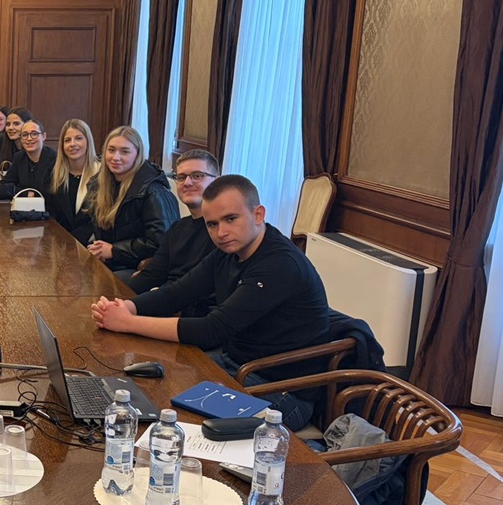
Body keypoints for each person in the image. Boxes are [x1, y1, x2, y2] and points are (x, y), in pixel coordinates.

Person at [91, 174, 330, 430]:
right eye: (212, 224)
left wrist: (128, 323)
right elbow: (178, 292)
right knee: (144, 387)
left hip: (280, 392)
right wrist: (128, 307)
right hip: (236, 367)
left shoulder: (279, 264)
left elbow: (212, 329)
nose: (221, 232)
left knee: (169, 411)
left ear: (258, 215)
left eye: (231, 219)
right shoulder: (229, 252)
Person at [122, 149, 221, 316]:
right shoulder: (178, 228)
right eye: (181, 177)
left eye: (197, 176)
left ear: (217, 182)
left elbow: (201, 290)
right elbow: (152, 275)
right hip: (163, 303)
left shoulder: (223, 232)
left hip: (191, 316)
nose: (187, 182)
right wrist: (117, 299)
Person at [73, 126, 178, 272]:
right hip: (110, 261)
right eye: (111, 150)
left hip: (140, 268)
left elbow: (160, 242)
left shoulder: (153, 190)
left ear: (138, 154)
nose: (115, 157)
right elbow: (86, 223)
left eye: (125, 152)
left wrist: (114, 250)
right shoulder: (99, 183)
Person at [47, 119, 101, 236]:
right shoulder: (52, 171)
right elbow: (50, 211)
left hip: (92, 242)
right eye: (67, 140)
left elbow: (99, 217)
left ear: (88, 142)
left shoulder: (101, 173)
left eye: (78, 138)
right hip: (59, 239)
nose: (72, 144)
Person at [0, 118, 57, 196]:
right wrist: (26, 193)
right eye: (24, 135)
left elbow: (49, 193)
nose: (29, 138)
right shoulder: (19, 157)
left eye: (34, 134)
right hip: (23, 203)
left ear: (44, 136)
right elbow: (3, 186)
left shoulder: (54, 159)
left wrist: (29, 194)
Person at [0, 108, 33, 172]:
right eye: (8, 124)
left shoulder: (33, 148)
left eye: (16, 124)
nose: (10, 128)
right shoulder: (2, 142)